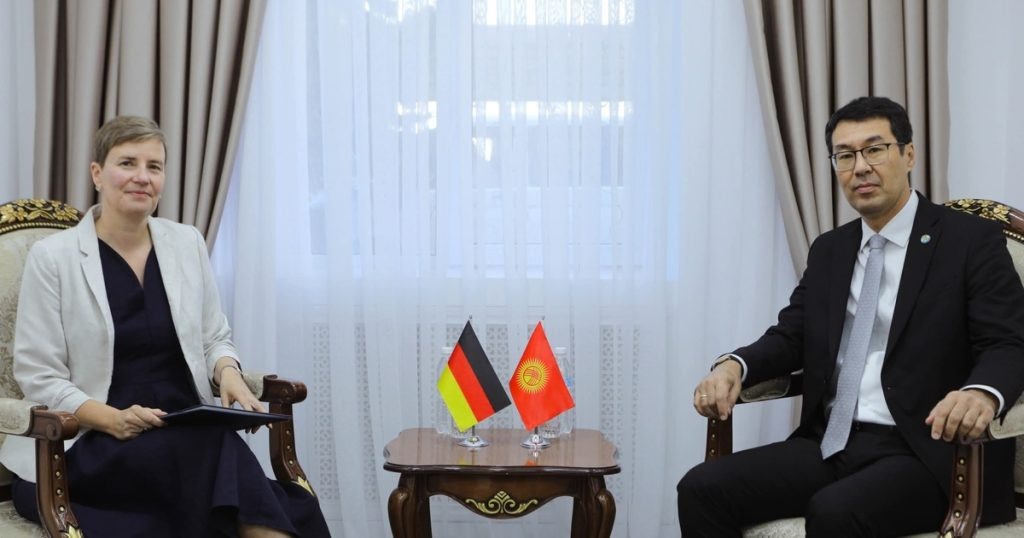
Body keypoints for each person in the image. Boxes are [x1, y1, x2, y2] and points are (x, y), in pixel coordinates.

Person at [677, 96, 1024, 536]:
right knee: (701, 488)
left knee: (833, 512)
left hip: (932, 451)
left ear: (909, 154)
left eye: (874, 149)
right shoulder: (831, 249)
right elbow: (791, 335)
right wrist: (734, 365)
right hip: (833, 441)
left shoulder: (969, 241)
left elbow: (1008, 343)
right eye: (845, 155)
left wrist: (981, 394)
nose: (860, 167)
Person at [0, 116, 330, 537]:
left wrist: (228, 373)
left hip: (182, 429)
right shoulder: (53, 258)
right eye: (128, 163)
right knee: (233, 465)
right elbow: (39, 376)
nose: (142, 177)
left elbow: (214, 338)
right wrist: (111, 419)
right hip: (91, 443)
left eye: (154, 166)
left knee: (214, 451)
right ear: (97, 173)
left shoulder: (186, 242)